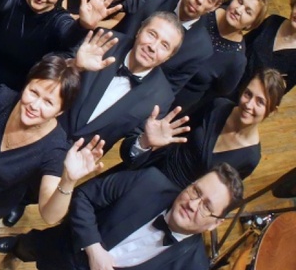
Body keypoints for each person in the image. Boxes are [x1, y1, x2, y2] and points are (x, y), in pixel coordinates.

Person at [0, 164, 245, 270]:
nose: (192, 204)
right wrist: (93, 246)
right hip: (66, 241)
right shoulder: (149, 182)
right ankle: (16, 246)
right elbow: (84, 196)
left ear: (216, 223)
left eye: (207, 206)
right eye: (196, 191)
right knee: (30, 245)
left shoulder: (191, 267)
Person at [0, 55, 108, 228]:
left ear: (59, 112)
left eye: (48, 102)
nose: (34, 105)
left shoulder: (55, 149)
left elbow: (50, 216)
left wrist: (68, 180)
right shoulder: (2, 97)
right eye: (33, 92)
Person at [121, 68, 284, 186]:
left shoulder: (249, 158)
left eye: (260, 102)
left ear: (271, 111)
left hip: (177, 198)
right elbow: (179, 131)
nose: (249, 104)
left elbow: (218, 192)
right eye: (248, 94)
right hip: (156, 164)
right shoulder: (218, 105)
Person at [63, 16, 183, 147]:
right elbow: (50, 66)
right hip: (48, 125)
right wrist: (74, 65)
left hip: (83, 155)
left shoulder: (161, 98)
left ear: (168, 57)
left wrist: (144, 142)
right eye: (152, 34)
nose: (153, 47)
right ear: (139, 31)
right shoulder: (104, 41)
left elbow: (128, 150)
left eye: (164, 46)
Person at [173, 0, 266, 113]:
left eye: (248, 12)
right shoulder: (206, 9)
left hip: (176, 103)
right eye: (239, 1)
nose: (239, 10)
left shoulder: (237, 60)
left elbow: (219, 92)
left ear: (251, 25)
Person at [240, 0, 296, 95]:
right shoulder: (273, 21)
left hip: (248, 97)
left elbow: (276, 94)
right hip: (230, 76)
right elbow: (243, 42)